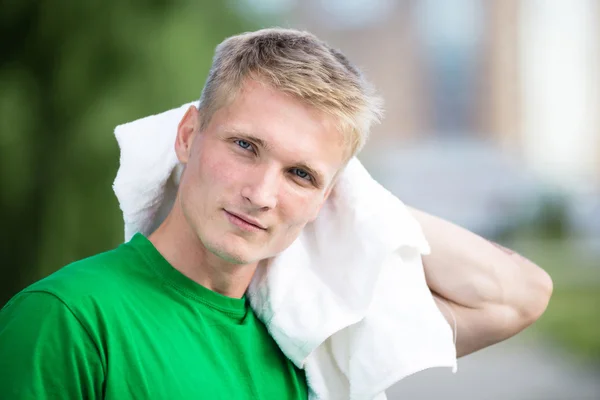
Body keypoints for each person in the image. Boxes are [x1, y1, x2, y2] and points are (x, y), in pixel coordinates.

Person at [0, 28, 552, 399]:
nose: (262, 193)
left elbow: (517, 296)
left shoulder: (309, 336)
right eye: (245, 146)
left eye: (300, 174)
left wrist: (354, 194)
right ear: (189, 136)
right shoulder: (67, 320)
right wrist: (310, 173)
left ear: (333, 199)